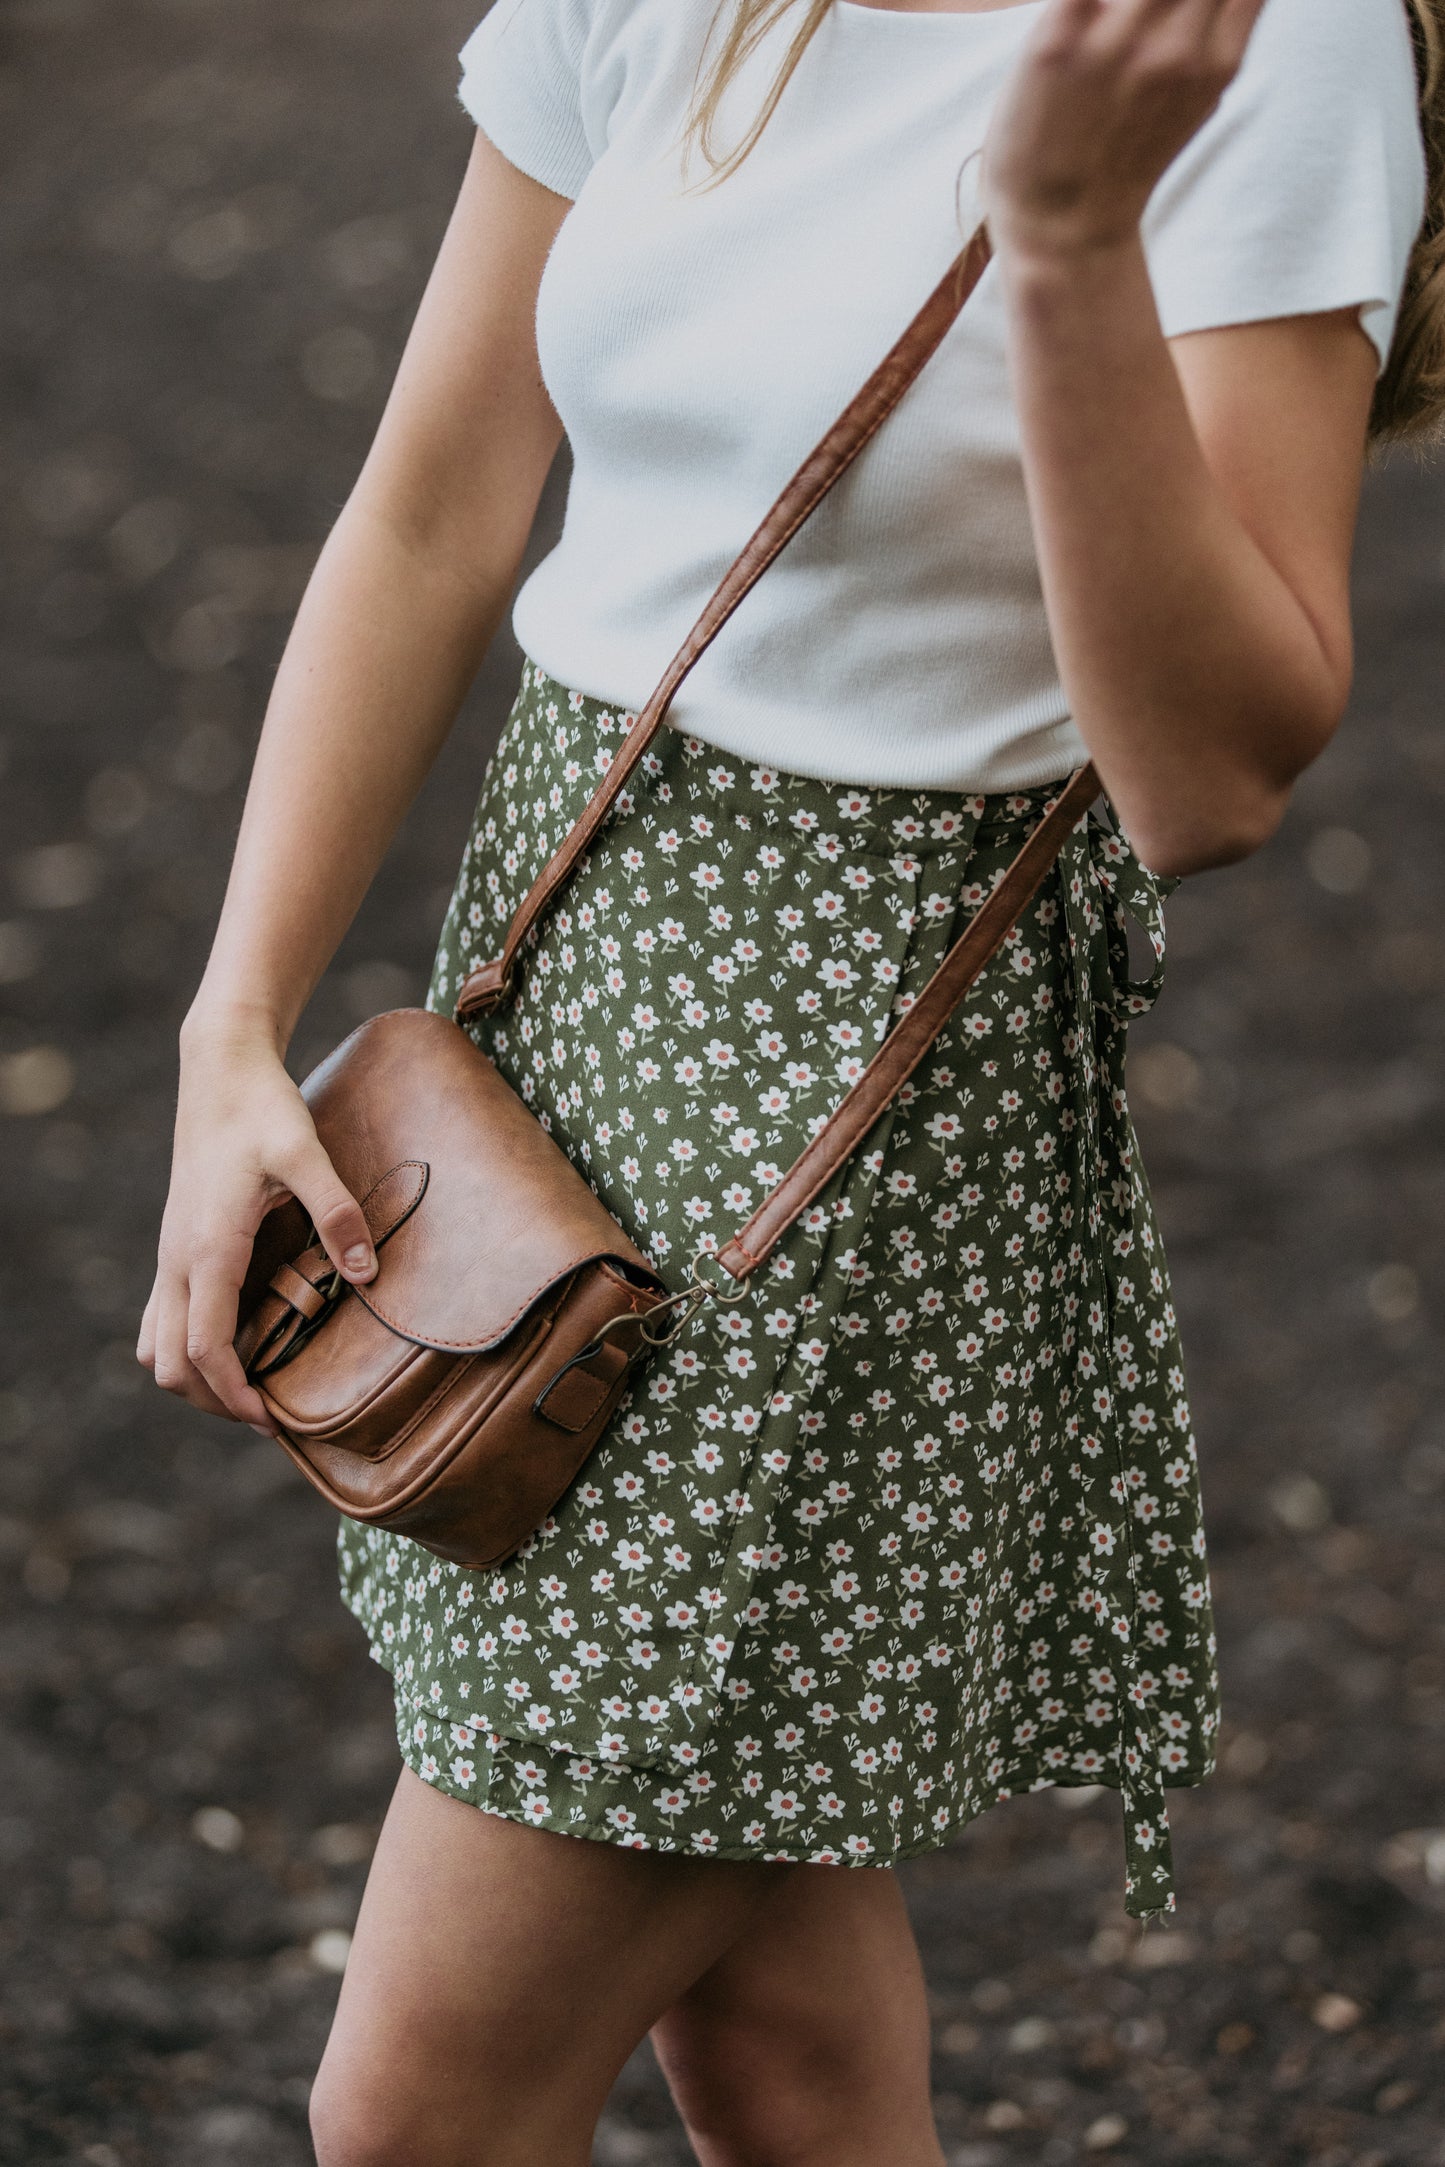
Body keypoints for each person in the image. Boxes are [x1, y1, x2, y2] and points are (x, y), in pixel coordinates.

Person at [138, 0, 1440, 2158]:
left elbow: (1215, 772)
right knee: (788, 2062)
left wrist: (1063, 238)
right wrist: (228, 1030)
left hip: (858, 1134)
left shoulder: (1252, 39)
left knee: (418, 2114)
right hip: (556, 1020)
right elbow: (436, 506)